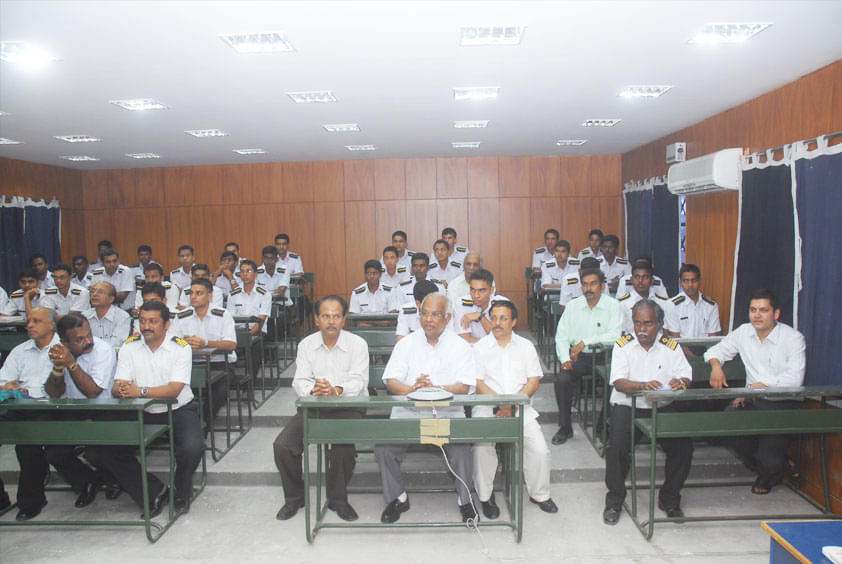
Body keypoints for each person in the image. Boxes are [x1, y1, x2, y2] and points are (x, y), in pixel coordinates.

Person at [86, 301, 204, 516]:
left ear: (167, 324)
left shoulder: (180, 347)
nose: (146, 326)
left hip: (177, 409)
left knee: (192, 447)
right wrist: (121, 390)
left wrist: (138, 391)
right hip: (139, 410)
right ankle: (153, 491)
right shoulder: (129, 346)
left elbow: (173, 390)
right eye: (142, 321)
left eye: (153, 321)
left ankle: (180, 491)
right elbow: (118, 385)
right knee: (100, 449)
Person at [375, 293, 478, 524]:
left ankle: (465, 500)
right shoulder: (406, 344)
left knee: (462, 452)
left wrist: (435, 388)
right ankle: (398, 498)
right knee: (384, 449)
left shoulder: (461, 347)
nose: (429, 319)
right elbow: (391, 381)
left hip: (446, 415)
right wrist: (413, 390)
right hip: (408, 415)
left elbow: (464, 386)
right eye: (425, 313)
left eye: (436, 315)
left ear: (448, 318)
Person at [273, 295, 368, 522]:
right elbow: (300, 381)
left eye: (336, 316)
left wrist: (336, 390)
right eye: (325, 316)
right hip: (315, 405)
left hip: (348, 405)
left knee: (342, 450)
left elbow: (359, 381)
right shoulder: (306, 345)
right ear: (317, 320)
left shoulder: (358, 344)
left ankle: (338, 500)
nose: (331, 321)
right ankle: (295, 498)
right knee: (283, 446)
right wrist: (314, 390)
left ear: (344, 319)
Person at [704, 288, 806, 494]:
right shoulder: (744, 332)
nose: (757, 315)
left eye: (763, 310)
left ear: (776, 314)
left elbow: (795, 379)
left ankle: (770, 471)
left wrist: (757, 387)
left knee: (770, 459)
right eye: (753, 310)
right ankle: (776, 464)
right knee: (724, 425)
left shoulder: (793, 338)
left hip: (784, 404)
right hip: (753, 402)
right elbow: (715, 351)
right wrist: (716, 366)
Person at [603, 300, 693, 525]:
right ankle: (614, 500)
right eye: (637, 323)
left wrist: (679, 382)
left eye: (648, 323)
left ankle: (670, 499)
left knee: (683, 447)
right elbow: (619, 383)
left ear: (660, 324)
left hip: (661, 406)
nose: (642, 329)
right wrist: (644, 386)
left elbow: (686, 376)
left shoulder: (670, 346)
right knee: (617, 449)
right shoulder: (623, 345)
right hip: (627, 406)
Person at [473, 300, 558, 518]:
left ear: (514, 322)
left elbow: (533, 381)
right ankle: (486, 496)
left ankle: (539, 494)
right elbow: (478, 383)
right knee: (482, 447)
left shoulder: (526, 346)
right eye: (494, 318)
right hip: (487, 407)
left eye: (503, 318)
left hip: (520, 408)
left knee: (539, 449)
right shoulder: (480, 347)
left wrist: (512, 405)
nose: (497, 323)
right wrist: (500, 405)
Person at [43, 313, 117, 509]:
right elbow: (53, 393)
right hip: (73, 408)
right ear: (64, 342)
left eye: (89, 335)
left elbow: (93, 392)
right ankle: (87, 480)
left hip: (104, 409)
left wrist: (71, 364)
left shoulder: (103, 350)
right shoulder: (58, 351)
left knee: (98, 451)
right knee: (53, 453)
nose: (88, 341)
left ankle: (113, 479)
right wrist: (58, 369)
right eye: (79, 339)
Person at [0, 307, 61, 520]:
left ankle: (31, 501)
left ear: (52, 324)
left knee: (26, 445)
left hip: (52, 408)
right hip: (19, 406)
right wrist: (7, 387)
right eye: (29, 321)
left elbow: (57, 390)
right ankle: (1, 500)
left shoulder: (62, 348)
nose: (29, 325)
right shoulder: (20, 350)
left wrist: (28, 391)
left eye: (36, 321)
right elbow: (3, 380)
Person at [553, 268, 622, 445]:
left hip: (606, 355)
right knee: (562, 380)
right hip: (579, 358)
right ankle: (565, 427)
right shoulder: (573, 306)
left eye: (593, 284)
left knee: (615, 381)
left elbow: (615, 335)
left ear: (602, 285)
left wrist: (586, 341)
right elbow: (561, 336)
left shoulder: (613, 306)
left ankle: (602, 427)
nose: (588, 288)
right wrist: (565, 360)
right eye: (584, 284)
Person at [170, 278, 237, 419]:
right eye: (191, 293)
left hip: (219, 364)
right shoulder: (182, 317)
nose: (193, 297)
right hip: (191, 365)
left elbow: (231, 344)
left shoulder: (222, 315)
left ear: (210, 296)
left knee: (216, 393)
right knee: (180, 392)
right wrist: (185, 344)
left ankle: (203, 426)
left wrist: (205, 342)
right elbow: (173, 341)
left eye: (199, 293)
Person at [617, 261, 677, 336]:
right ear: (631, 280)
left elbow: (667, 332)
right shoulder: (622, 303)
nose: (640, 281)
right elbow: (620, 333)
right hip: (631, 345)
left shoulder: (663, 303)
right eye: (637, 277)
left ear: (652, 280)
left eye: (645, 277)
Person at [452, 269, 508, 344]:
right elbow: (464, 339)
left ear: (491, 290)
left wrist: (481, 316)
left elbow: (500, 338)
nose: (476, 295)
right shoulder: (461, 303)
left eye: (482, 291)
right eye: (473, 290)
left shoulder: (502, 304)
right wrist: (490, 343)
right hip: (471, 349)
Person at [671, 264, 722, 338]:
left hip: (706, 348)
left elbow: (713, 337)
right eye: (686, 281)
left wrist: (709, 350)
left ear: (699, 281)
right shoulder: (672, 305)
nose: (690, 285)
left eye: (693, 280)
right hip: (681, 348)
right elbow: (675, 339)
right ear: (680, 283)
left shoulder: (711, 305)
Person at [82, 281, 132, 349]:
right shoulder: (84, 316)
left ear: (111, 299)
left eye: (100, 292)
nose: (94, 294)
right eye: (92, 291)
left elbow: (117, 343)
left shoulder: (122, 317)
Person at [227, 260, 271, 335]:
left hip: (257, 332)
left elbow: (261, 319)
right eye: (242, 271)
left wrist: (248, 336)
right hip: (238, 332)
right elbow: (230, 318)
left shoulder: (264, 294)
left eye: (248, 271)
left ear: (256, 274)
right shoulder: (233, 294)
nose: (245, 274)